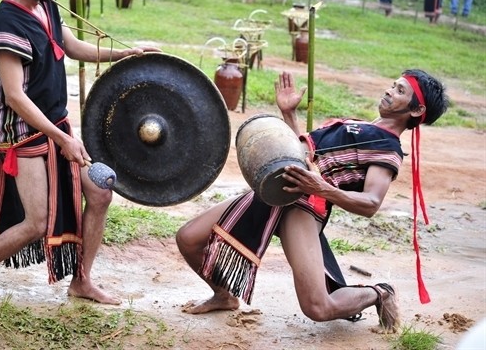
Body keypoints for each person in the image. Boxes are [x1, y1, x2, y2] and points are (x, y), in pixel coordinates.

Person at [0, 0, 158, 302]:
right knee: (36, 223)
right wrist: (64, 139)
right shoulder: (7, 24)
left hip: (57, 125)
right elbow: (17, 98)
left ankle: (81, 280)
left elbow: (71, 46)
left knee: (99, 193)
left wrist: (127, 52)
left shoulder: (47, 6)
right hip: (25, 134)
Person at [176, 69, 449, 333]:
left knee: (318, 307)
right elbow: (303, 154)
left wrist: (322, 187)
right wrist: (289, 113)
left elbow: (370, 203)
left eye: (400, 90)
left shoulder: (387, 149)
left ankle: (379, 292)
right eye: (393, 84)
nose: (390, 90)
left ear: (416, 111)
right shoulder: (356, 126)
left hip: (305, 209)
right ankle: (224, 296)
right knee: (188, 238)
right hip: (276, 192)